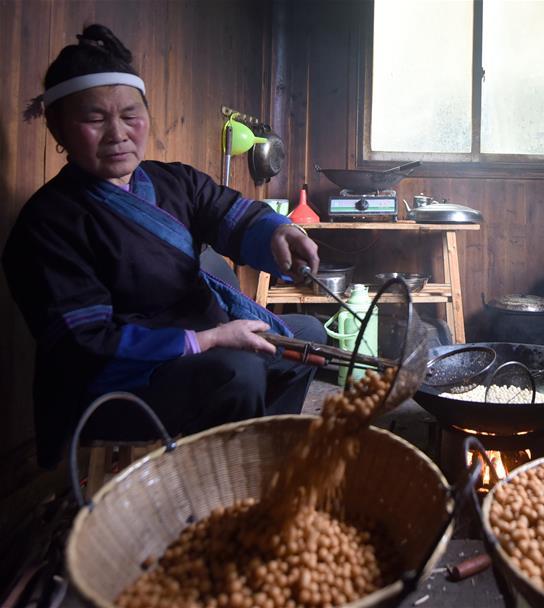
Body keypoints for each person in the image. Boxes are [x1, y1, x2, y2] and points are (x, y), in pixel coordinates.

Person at [4, 24, 327, 469]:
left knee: (306, 336)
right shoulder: (48, 224)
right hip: (121, 378)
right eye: (94, 119)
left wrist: (277, 232)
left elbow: (231, 214)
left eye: (130, 116)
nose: (117, 133)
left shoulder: (173, 180)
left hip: (201, 339)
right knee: (239, 372)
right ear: (58, 128)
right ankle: (225, 488)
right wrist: (205, 340)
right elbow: (83, 344)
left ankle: (259, 455)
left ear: (147, 116)